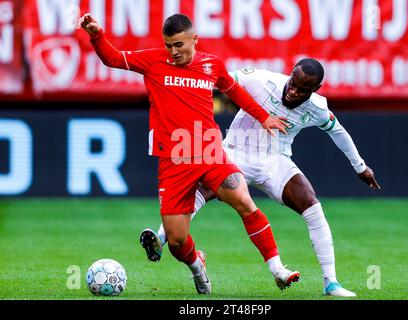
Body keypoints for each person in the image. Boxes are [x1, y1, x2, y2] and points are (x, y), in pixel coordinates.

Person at [79, 13, 300, 295]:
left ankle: (278, 269)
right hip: (174, 160)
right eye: (169, 45)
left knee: (243, 200)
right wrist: (96, 34)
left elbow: (236, 92)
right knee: (176, 241)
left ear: (194, 39)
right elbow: (113, 58)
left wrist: (264, 117)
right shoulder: (153, 61)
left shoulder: (212, 65)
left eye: (179, 45)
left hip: (209, 150)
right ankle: (198, 266)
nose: (174, 51)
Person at [143, 59, 382, 297]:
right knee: (200, 191)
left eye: (302, 90)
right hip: (234, 154)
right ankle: (161, 238)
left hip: (274, 161)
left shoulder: (318, 108)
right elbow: (219, 81)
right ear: (290, 74)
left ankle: (331, 284)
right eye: (293, 83)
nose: (293, 91)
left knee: (313, 207)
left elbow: (338, 131)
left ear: (315, 90)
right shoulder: (260, 80)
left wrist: (360, 167)